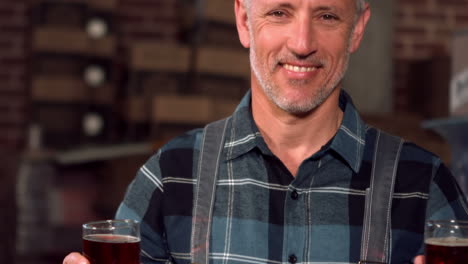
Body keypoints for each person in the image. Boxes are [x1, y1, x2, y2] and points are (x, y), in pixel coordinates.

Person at [64, 0, 468, 263]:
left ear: (357, 29)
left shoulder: (424, 186)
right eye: (280, 12)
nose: (302, 42)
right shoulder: (169, 178)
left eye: (327, 15)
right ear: (243, 20)